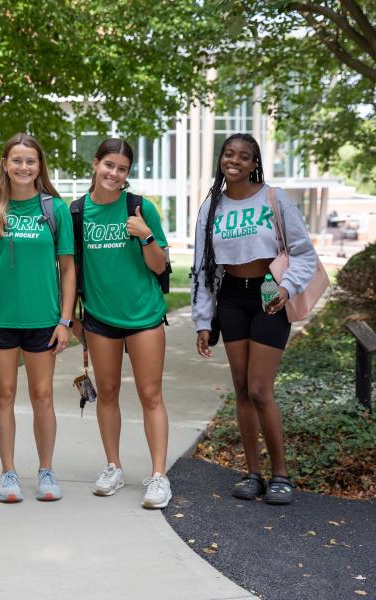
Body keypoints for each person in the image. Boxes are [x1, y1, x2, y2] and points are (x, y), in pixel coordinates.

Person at [191, 133, 317, 505]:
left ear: (254, 163)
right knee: (242, 389)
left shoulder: (275, 199)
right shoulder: (211, 207)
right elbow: (201, 266)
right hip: (231, 298)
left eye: (244, 156)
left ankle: (281, 475)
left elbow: (303, 253)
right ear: (221, 159)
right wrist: (202, 320)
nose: (235, 161)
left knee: (261, 390)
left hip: (268, 296)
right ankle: (252, 473)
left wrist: (287, 288)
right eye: (229, 154)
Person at [0, 133, 76, 503]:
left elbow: (67, 268)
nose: (24, 167)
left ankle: (46, 471)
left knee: (43, 395)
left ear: (39, 166)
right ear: (5, 163)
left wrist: (65, 321)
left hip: (44, 320)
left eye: (31, 161)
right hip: (0, 322)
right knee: (4, 394)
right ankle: (8, 473)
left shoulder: (55, 209)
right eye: (17, 160)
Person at [72, 138, 172, 509]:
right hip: (99, 318)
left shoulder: (141, 208)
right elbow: (68, 269)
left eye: (123, 169)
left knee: (150, 394)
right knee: (108, 393)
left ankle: (158, 476)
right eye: (109, 165)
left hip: (143, 316)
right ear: (96, 164)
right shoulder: (77, 213)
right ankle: (113, 466)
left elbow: (159, 265)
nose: (114, 174)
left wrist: (144, 234)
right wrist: (71, 320)